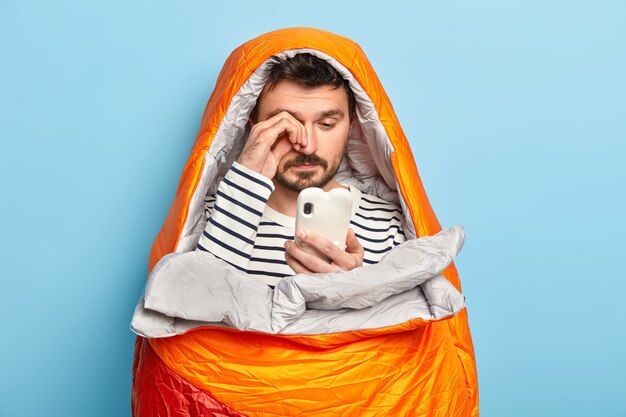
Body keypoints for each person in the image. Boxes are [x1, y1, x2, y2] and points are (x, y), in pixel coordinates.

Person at [196, 53, 406, 286]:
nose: (306, 145)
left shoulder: (392, 228)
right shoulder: (210, 217)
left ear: (352, 127)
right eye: (285, 124)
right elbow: (195, 309)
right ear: (254, 128)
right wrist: (245, 183)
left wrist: (353, 292)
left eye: (326, 124)